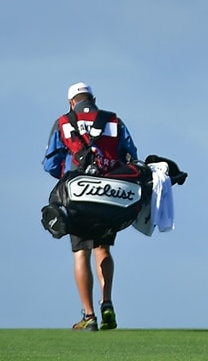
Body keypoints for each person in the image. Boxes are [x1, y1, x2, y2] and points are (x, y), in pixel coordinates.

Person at [42, 82, 138, 331]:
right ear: (93, 98)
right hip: (109, 195)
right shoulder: (114, 121)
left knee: (80, 252)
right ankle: (107, 303)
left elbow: (51, 163)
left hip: (78, 195)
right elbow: (130, 154)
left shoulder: (63, 122)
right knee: (103, 249)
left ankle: (89, 316)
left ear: (71, 102)